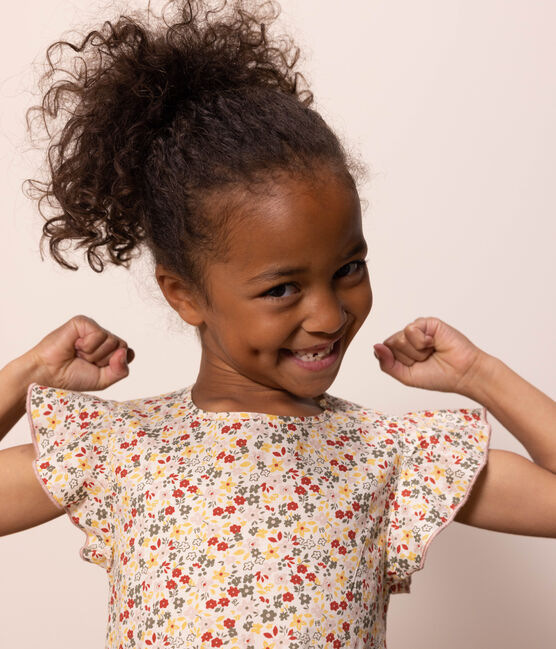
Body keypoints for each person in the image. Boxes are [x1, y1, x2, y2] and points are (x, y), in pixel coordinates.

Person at [1, 0, 555, 647]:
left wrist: (479, 373)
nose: (329, 315)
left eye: (349, 268)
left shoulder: (390, 456)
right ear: (184, 294)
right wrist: (28, 374)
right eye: (282, 288)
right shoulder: (117, 450)